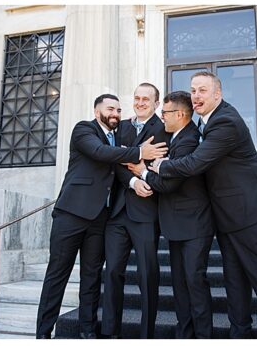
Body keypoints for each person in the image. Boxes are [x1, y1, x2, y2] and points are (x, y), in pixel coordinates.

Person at [134, 72, 257, 338]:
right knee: (234, 280)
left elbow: (195, 164)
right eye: (193, 91)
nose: (196, 96)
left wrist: (159, 166)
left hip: (250, 211)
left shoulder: (226, 121)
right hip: (226, 215)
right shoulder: (208, 122)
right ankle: (239, 333)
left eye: (203, 91)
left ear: (218, 93)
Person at [35, 94, 168, 339]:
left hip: (100, 219)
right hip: (71, 214)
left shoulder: (118, 136)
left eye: (118, 110)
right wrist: (139, 151)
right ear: (97, 112)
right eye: (110, 109)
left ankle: (88, 331)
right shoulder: (84, 129)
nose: (115, 114)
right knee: (57, 275)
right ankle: (43, 333)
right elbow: (100, 152)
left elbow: (117, 161)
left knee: (92, 277)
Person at [131, 91, 215, 338]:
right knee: (180, 286)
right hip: (176, 225)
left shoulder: (189, 140)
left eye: (164, 113)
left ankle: (203, 337)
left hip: (194, 226)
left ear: (179, 114)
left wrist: (143, 171)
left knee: (194, 284)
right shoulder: (174, 136)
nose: (161, 118)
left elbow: (170, 184)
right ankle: (184, 335)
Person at [101, 83, 168, 339]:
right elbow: (114, 161)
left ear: (156, 103)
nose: (140, 103)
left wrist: (143, 173)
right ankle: (109, 334)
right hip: (117, 213)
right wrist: (132, 179)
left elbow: (162, 163)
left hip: (146, 212)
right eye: (137, 98)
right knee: (113, 273)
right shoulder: (122, 126)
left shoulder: (163, 129)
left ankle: (146, 335)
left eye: (146, 99)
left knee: (146, 275)